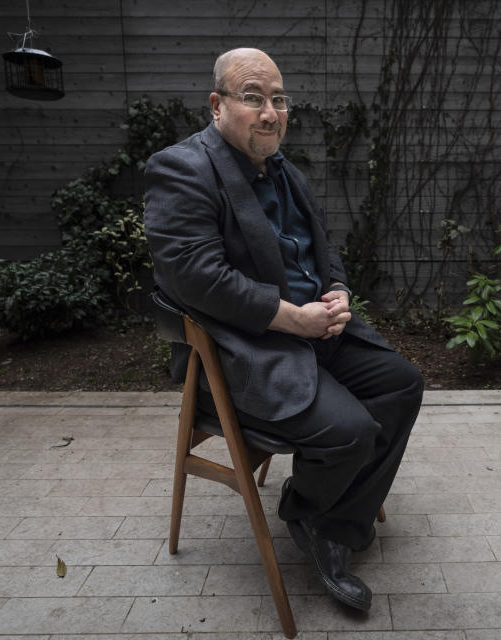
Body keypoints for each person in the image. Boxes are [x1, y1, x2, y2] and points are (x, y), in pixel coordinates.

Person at [143, 48, 423, 612]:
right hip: (246, 349)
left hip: (313, 330)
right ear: (218, 105)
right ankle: (308, 512)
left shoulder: (286, 171)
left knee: (401, 385)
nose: (270, 112)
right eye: (253, 98)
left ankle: (331, 518)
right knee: (351, 432)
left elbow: (322, 247)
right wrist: (290, 317)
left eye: (278, 99)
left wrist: (338, 290)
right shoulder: (182, 168)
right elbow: (197, 277)